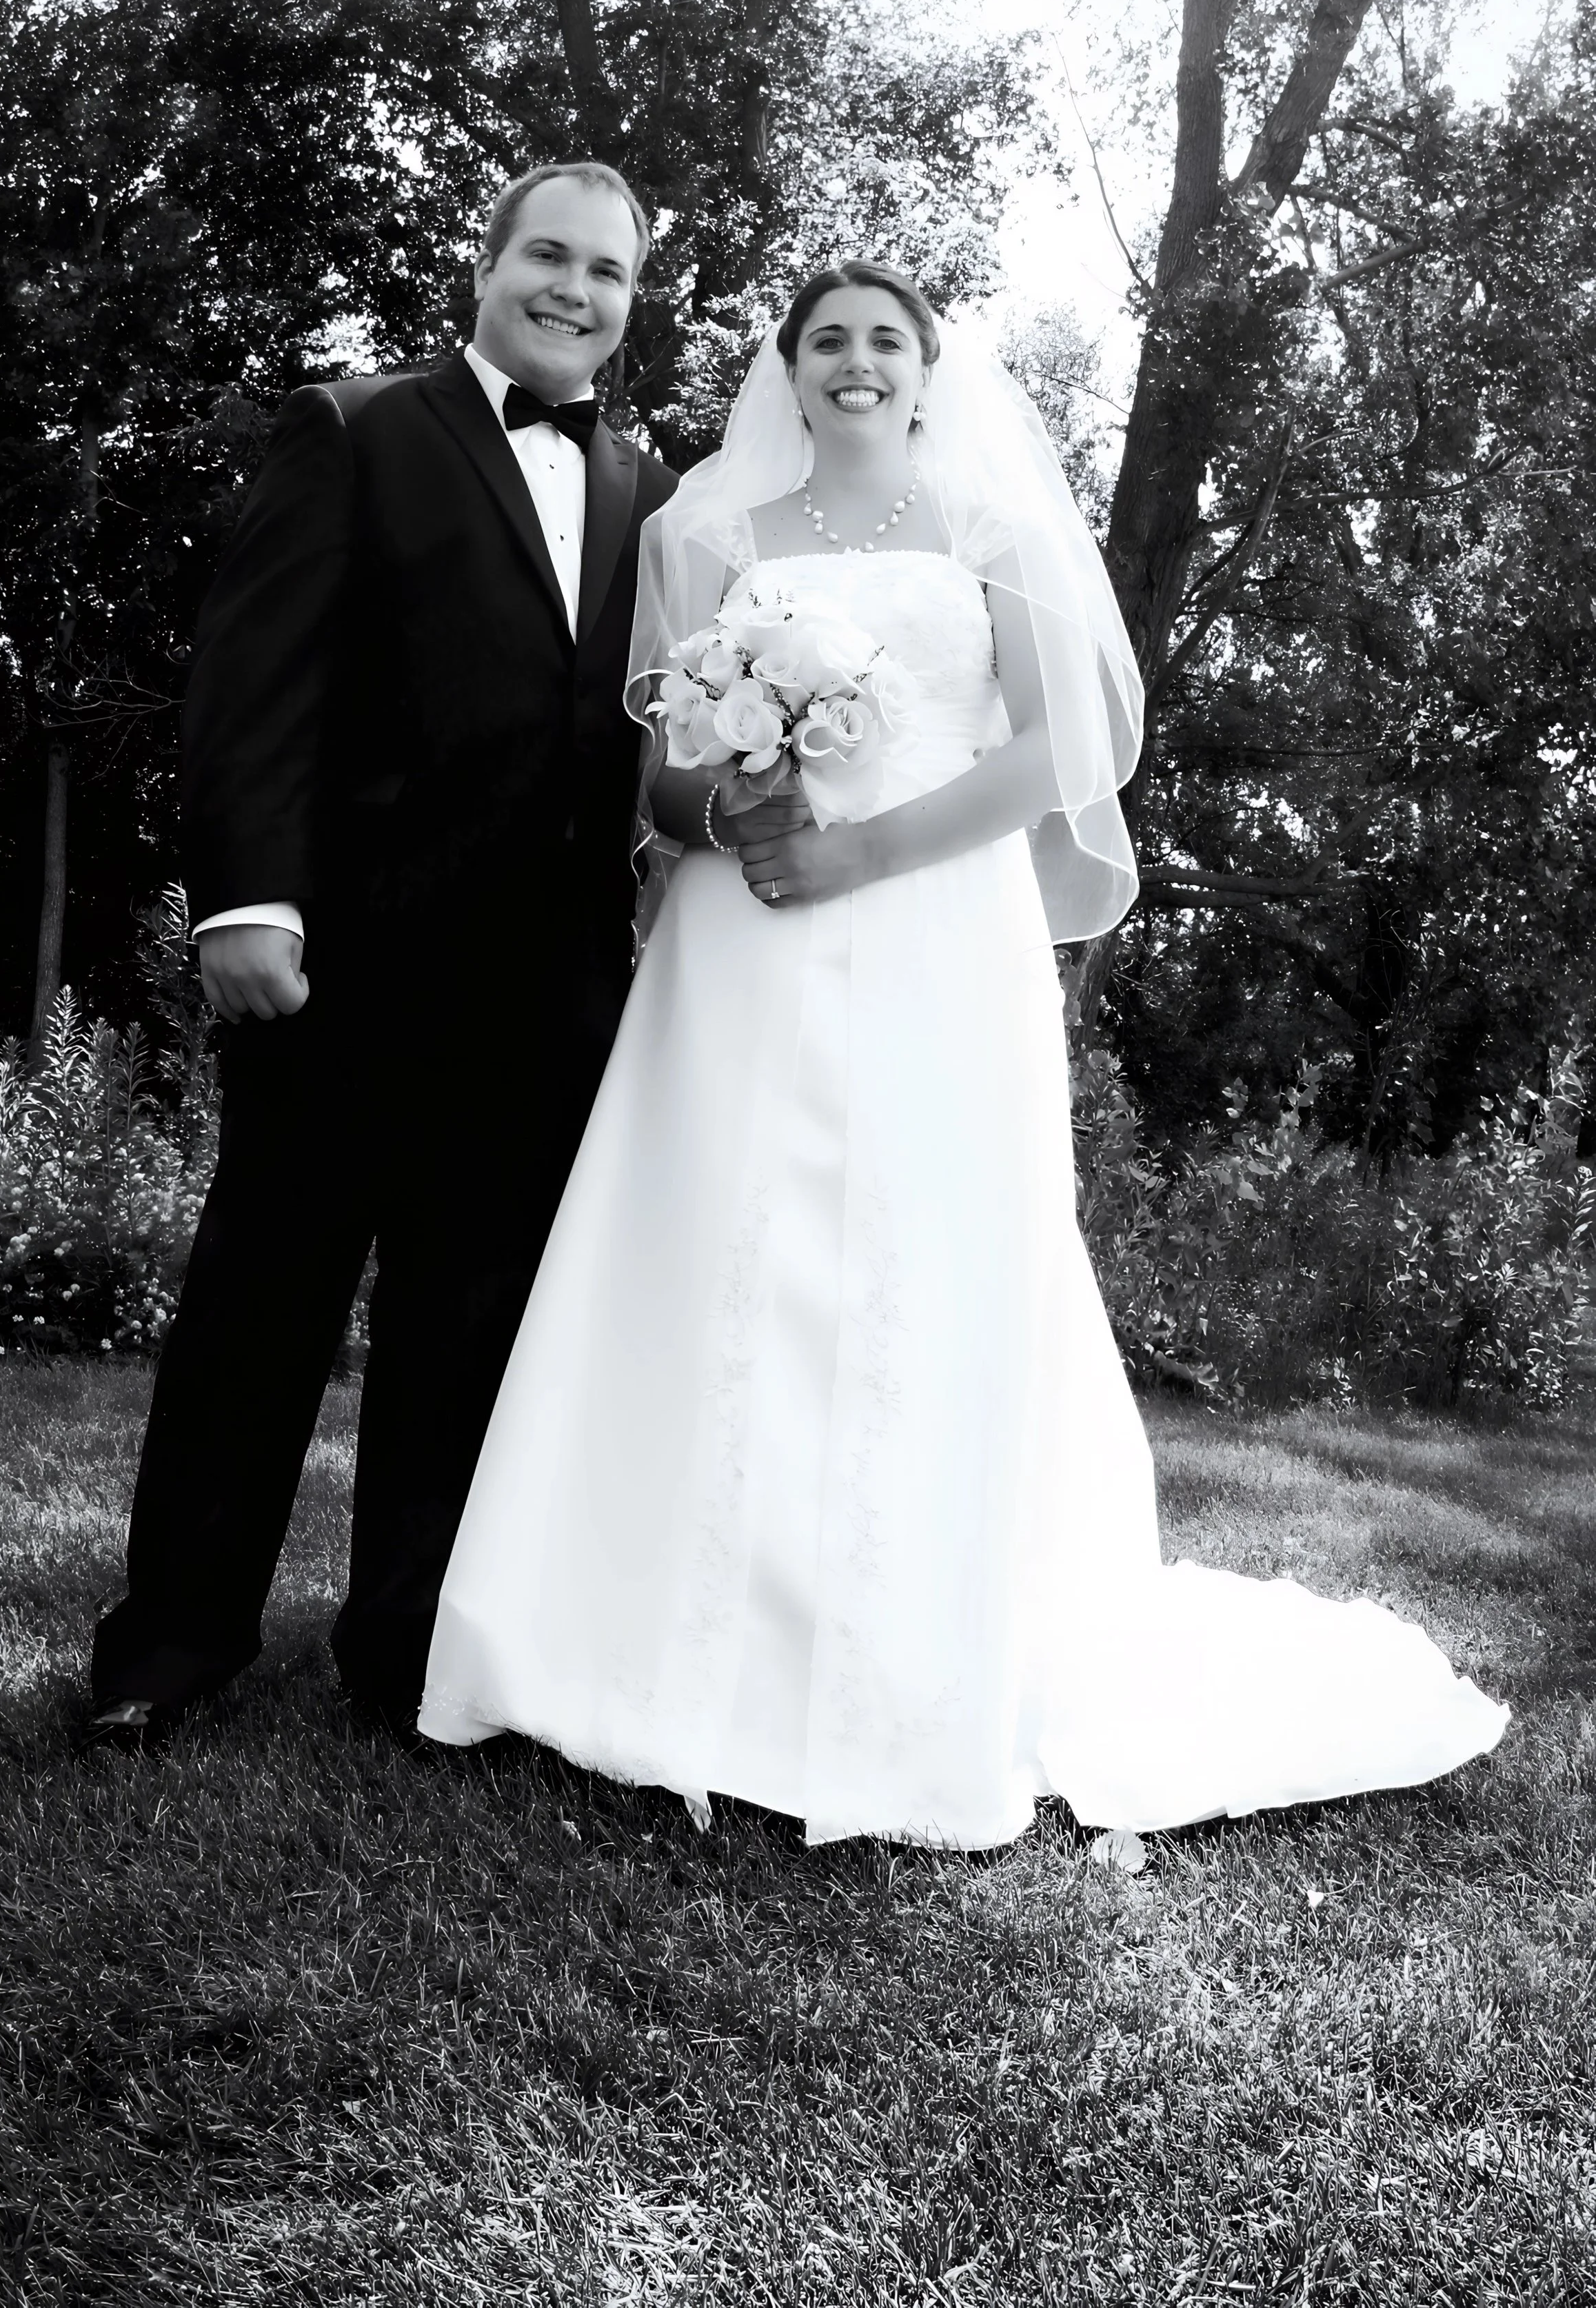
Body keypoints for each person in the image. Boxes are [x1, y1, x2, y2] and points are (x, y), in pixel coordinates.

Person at [415, 259, 1508, 1848]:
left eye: (884, 342)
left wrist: (862, 858)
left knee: (928, 1257)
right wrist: (729, 807)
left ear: (926, 373)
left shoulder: (990, 528)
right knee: (716, 1245)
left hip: (936, 935)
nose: (855, 364)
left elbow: (1062, 752)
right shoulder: (694, 537)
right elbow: (652, 779)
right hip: (739, 937)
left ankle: (912, 1661)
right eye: (826, 341)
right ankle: (654, 1648)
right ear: (781, 368)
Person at [85, 161, 677, 1748]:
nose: (572, 290)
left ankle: (407, 1653)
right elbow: (255, 676)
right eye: (546, 256)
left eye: (605, 273)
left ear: (630, 307)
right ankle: (169, 1648)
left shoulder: (652, 492)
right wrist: (248, 901)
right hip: (344, 964)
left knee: (465, 1337)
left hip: (548, 993)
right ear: (484, 268)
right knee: (259, 1312)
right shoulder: (352, 427)